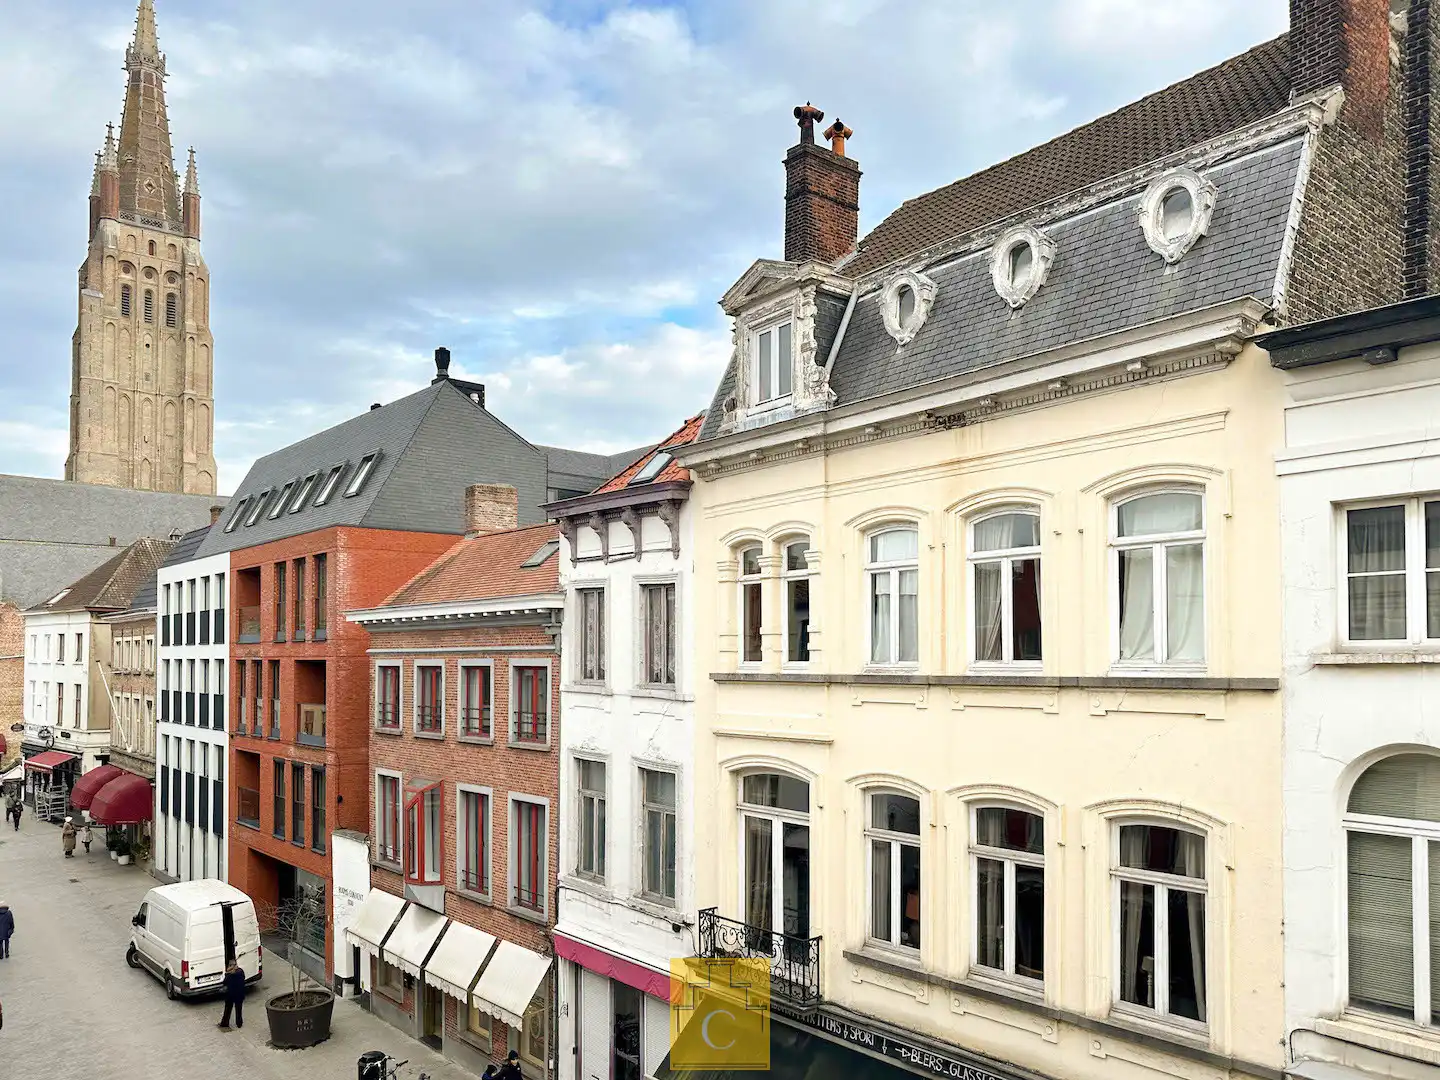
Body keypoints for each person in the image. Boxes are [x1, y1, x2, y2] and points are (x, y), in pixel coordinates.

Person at [218, 960, 246, 1029]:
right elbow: (243, 978)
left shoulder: (229, 974)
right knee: (239, 1009)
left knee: (227, 1009)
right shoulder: (241, 971)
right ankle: (239, 1023)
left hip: (230, 995)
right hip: (240, 994)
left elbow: (224, 982)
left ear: (230, 966)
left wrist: (227, 973)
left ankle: (225, 1022)